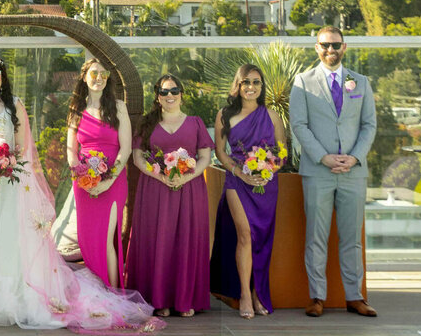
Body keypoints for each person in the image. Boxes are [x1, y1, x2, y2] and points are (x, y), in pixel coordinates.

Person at [0, 54, 160, 332]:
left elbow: (22, 149)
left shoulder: (14, 105)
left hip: (3, 184)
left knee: (2, 239)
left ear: (2, 78)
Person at [289, 27, 377, 318]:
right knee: (316, 236)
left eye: (336, 44)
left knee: (351, 237)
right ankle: (317, 297)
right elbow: (299, 125)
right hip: (318, 171)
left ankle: (355, 296)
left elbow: (369, 126)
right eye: (325, 45)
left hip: (353, 172)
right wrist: (324, 157)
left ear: (344, 46)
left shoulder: (361, 82)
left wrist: (354, 158)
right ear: (316, 48)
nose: (331, 49)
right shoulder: (302, 82)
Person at [126, 74, 213, 317]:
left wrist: (187, 176)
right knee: (158, 240)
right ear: (157, 97)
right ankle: (159, 300)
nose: (170, 95)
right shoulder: (147, 123)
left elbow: (206, 157)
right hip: (155, 189)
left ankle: (186, 299)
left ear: (182, 93)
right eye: (164, 92)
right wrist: (159, 175)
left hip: (190, 189)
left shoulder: (195, 122)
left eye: (174, 90)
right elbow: (137, 157)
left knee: (187, 239)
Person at [209, 63, 287, 319]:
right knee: (245, 236)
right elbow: (220, 152)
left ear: (261, 87)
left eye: (256, 82)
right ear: (238, 85)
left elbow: (282, 153)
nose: (251, 87)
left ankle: (258, 293)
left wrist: (267, 172)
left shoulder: (272, 116)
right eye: (246, 82)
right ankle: (243, 294)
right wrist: (240, 173)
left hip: (266, 185)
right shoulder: (224, 115)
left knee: (262, 240)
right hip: (237, 182)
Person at [66, 58, 133, 289]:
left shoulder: (119, 107)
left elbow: (126, 149)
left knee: (106, 239)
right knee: (88, 241)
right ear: (84, 77)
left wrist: (107, 181)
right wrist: (83, 178)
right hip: (84, 185)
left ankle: (113, 294)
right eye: (94, 73)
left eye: (103, 74)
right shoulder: (76, 111)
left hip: (113, 182)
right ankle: (95, 291)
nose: (98, 78)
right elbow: (71, 153)